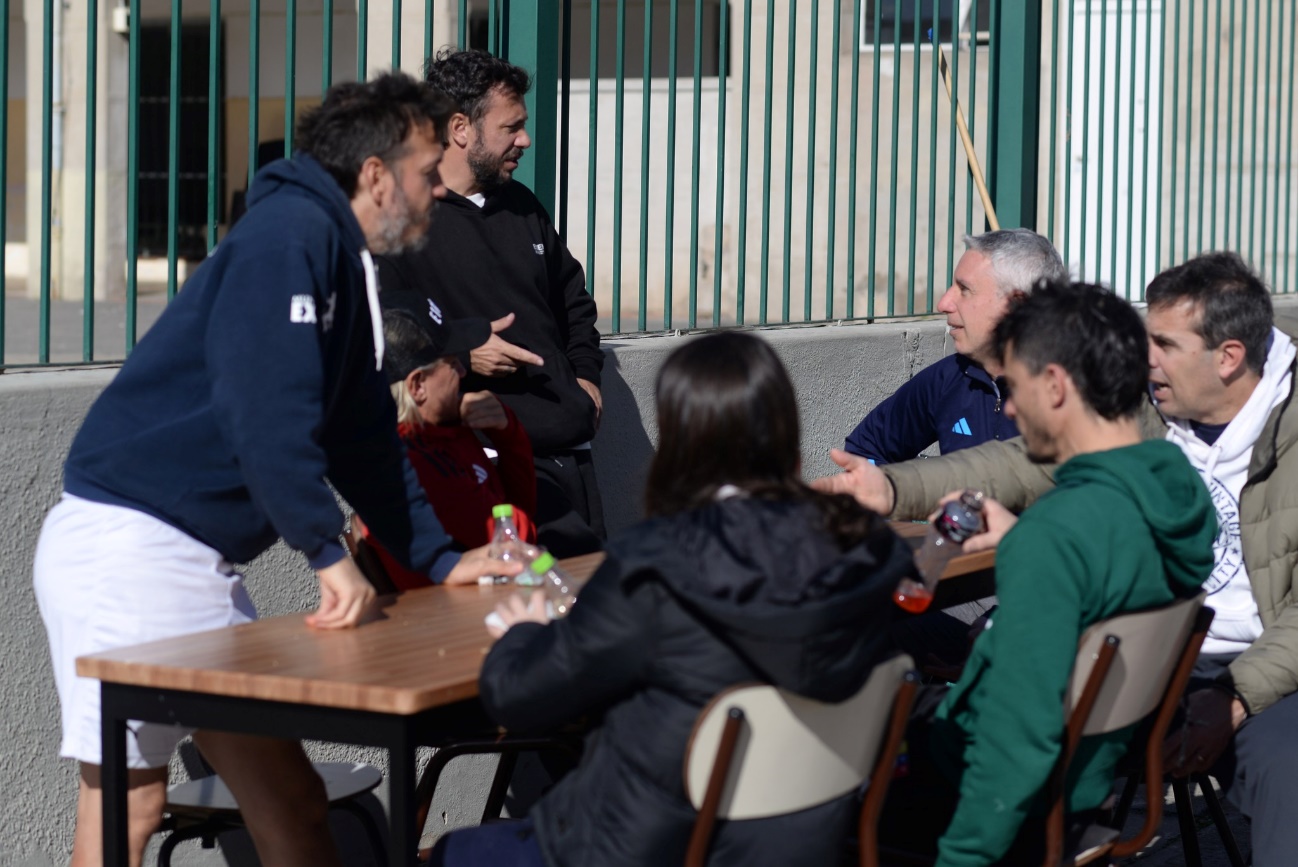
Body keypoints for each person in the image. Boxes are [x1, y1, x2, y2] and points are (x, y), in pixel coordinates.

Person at [32, 73, 516, 867]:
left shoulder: (337, 254)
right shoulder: (287, 238)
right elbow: (266, 413)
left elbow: (362, 437)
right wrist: (328, 554)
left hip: (189, 559)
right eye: (428, 173)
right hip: (130, 549)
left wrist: (438, 559)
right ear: (376, 175)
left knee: (292, 802)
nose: (438, 190)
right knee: (129, 804)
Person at [822, 252, 1298, 866]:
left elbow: (1015, 742)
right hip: (1137, 675)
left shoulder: (1084, 515)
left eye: (1163, 344)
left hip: (1254, 664)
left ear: (1228, 357)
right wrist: (891, 489)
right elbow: (1023, 462)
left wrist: (1237, 697)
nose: (1145, 357)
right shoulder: (1163, 435)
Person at [425, 331, 916, 867]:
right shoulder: (867, 552)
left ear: (679, 442)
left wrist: (524, 631)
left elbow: (519, 698)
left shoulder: (654, 567)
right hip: (801, 845)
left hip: (640, 846)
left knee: (452, 854)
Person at [877, 281, 1214, 866]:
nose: (1008, 409)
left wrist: (964, 857)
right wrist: (1022, 542)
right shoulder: (1176, 489)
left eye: (1014, 387)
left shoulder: (1057, 535)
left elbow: (1016, 740)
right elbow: (1110, 582)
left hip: (995, 801)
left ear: (1055, 386)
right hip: (1089, 776)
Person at [376, 48, 606, 558]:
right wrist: (462, 351)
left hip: (570, 455)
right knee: (523, 604)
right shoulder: (400, 223)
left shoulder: (523, 206)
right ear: (460, 128)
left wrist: (587, 379)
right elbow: (384, 335)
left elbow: (574, 303)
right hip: (484, 466)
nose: (525, 140)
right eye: (511, 127)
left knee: (585, 598)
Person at [356, 291, 540, 589]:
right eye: (453, 363)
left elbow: (517, 517)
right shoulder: (419, 464)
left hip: (482, 600)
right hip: (459, 614)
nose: (463, 371)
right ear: (417, 386)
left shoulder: (440, 430)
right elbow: (520, 538)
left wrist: (507, 432)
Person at [843, 229, 1066, 465]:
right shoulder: (948, 379)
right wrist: (909, 488)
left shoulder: (1079, 390)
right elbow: (865, 450)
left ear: (1016, 304)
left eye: (964, 290)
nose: (944, 304)